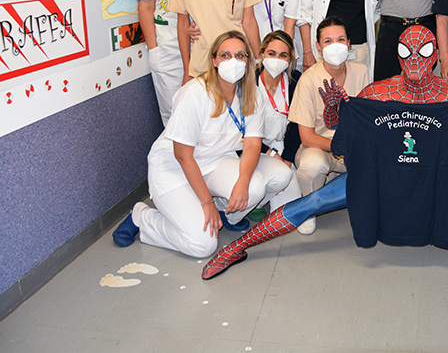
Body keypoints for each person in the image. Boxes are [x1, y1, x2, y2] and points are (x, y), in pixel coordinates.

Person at [201, 25, 448, 280]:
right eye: (406, 51)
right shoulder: (378, 93)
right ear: (397, 55)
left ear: (435, 55)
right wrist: (335, 113)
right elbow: (345, 135)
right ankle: (237, 246)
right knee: (314, 201)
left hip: (434, 179)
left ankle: (422, 212)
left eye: (423, 51)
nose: (414, 59)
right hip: (381, 177)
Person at [111, 31, 293, 258]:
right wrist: (206, 202)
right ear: (214, 61)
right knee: (202, 246)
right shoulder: (195, 93)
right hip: (174, 168)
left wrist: (242, 183)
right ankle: (142, 216)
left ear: (248, 61)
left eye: (239, 55)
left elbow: (253, 144)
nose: (233, 61)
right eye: (225, 55)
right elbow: (183, 155)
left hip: (216, 161)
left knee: (271, 179)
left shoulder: (252, 93)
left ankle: (227, 214)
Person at [287, 16, 370, 234]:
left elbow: (368, 119)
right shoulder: (308, 79)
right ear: (318, 47)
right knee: (312, 165)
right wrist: (340, 148)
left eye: (340, 39)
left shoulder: (361, 72)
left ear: (349, 43)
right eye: (328, 41)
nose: (335, 46)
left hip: (353, 149)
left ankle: (340, 181)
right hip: (319, 148)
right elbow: (306, 137)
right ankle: (309, 209)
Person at [254, 30, 304, 217]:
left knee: (289, 209)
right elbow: (239, 129)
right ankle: (255, 199)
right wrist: (270, 153)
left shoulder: (296, 80)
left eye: (283, 55)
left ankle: (262, 196)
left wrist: (287, 158)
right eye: (271, 53)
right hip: (254, 148)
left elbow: (298, 123)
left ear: (290, 59)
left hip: (282, 148)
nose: (277, 59)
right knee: (255, 188)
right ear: (262, 54)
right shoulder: (248, 82)